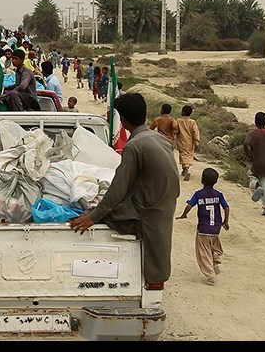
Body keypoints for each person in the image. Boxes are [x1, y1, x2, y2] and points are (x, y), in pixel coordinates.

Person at [69, 93, 180, 285]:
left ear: (123, 120)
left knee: (97, 214)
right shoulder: (161, 140)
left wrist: (92, 217)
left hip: (146, 212)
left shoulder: (134, 146)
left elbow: (118, 188)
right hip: (164, 205)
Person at [176, 167, 230, 285]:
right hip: (215, 228)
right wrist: (225, 221)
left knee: (203, 252)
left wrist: (183, 215)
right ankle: (216, 259)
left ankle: (210, 275)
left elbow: (189, 206)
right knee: (214, 245)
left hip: (203, 229)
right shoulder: (218, 194)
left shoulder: (198, 194)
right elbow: (226, 207)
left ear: (202, 180)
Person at [176, 105, 200, 181]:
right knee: (188, 155)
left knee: (183, 154)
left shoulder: (178, 121)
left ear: (182, 112)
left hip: (181, 141)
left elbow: (175, 129)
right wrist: (196, 141)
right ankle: (186, 168)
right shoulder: (192, 122)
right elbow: (195, 131)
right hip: (190, 141)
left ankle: (185, 169)